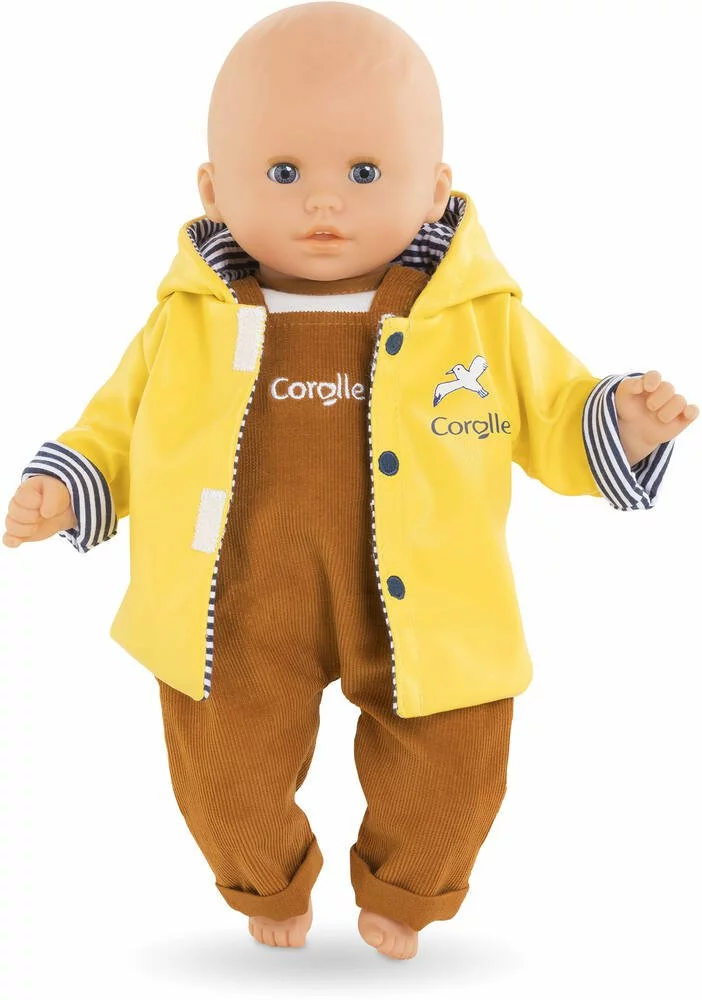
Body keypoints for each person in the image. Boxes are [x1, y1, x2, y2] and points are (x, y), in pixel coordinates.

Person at [3, 2, 698, 962]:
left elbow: (552, 410)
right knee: (223, 769)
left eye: (365, 173)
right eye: (283, 173)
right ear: (213, 188)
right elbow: (119, 425)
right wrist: (73, 484)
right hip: (233, 605)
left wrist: (619, 420)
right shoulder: (192, 316)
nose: (322, 204)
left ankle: (408, 889)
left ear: (436, 187)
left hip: (435, 603)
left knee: (457, 762)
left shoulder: (473, 316)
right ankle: (265, 877)